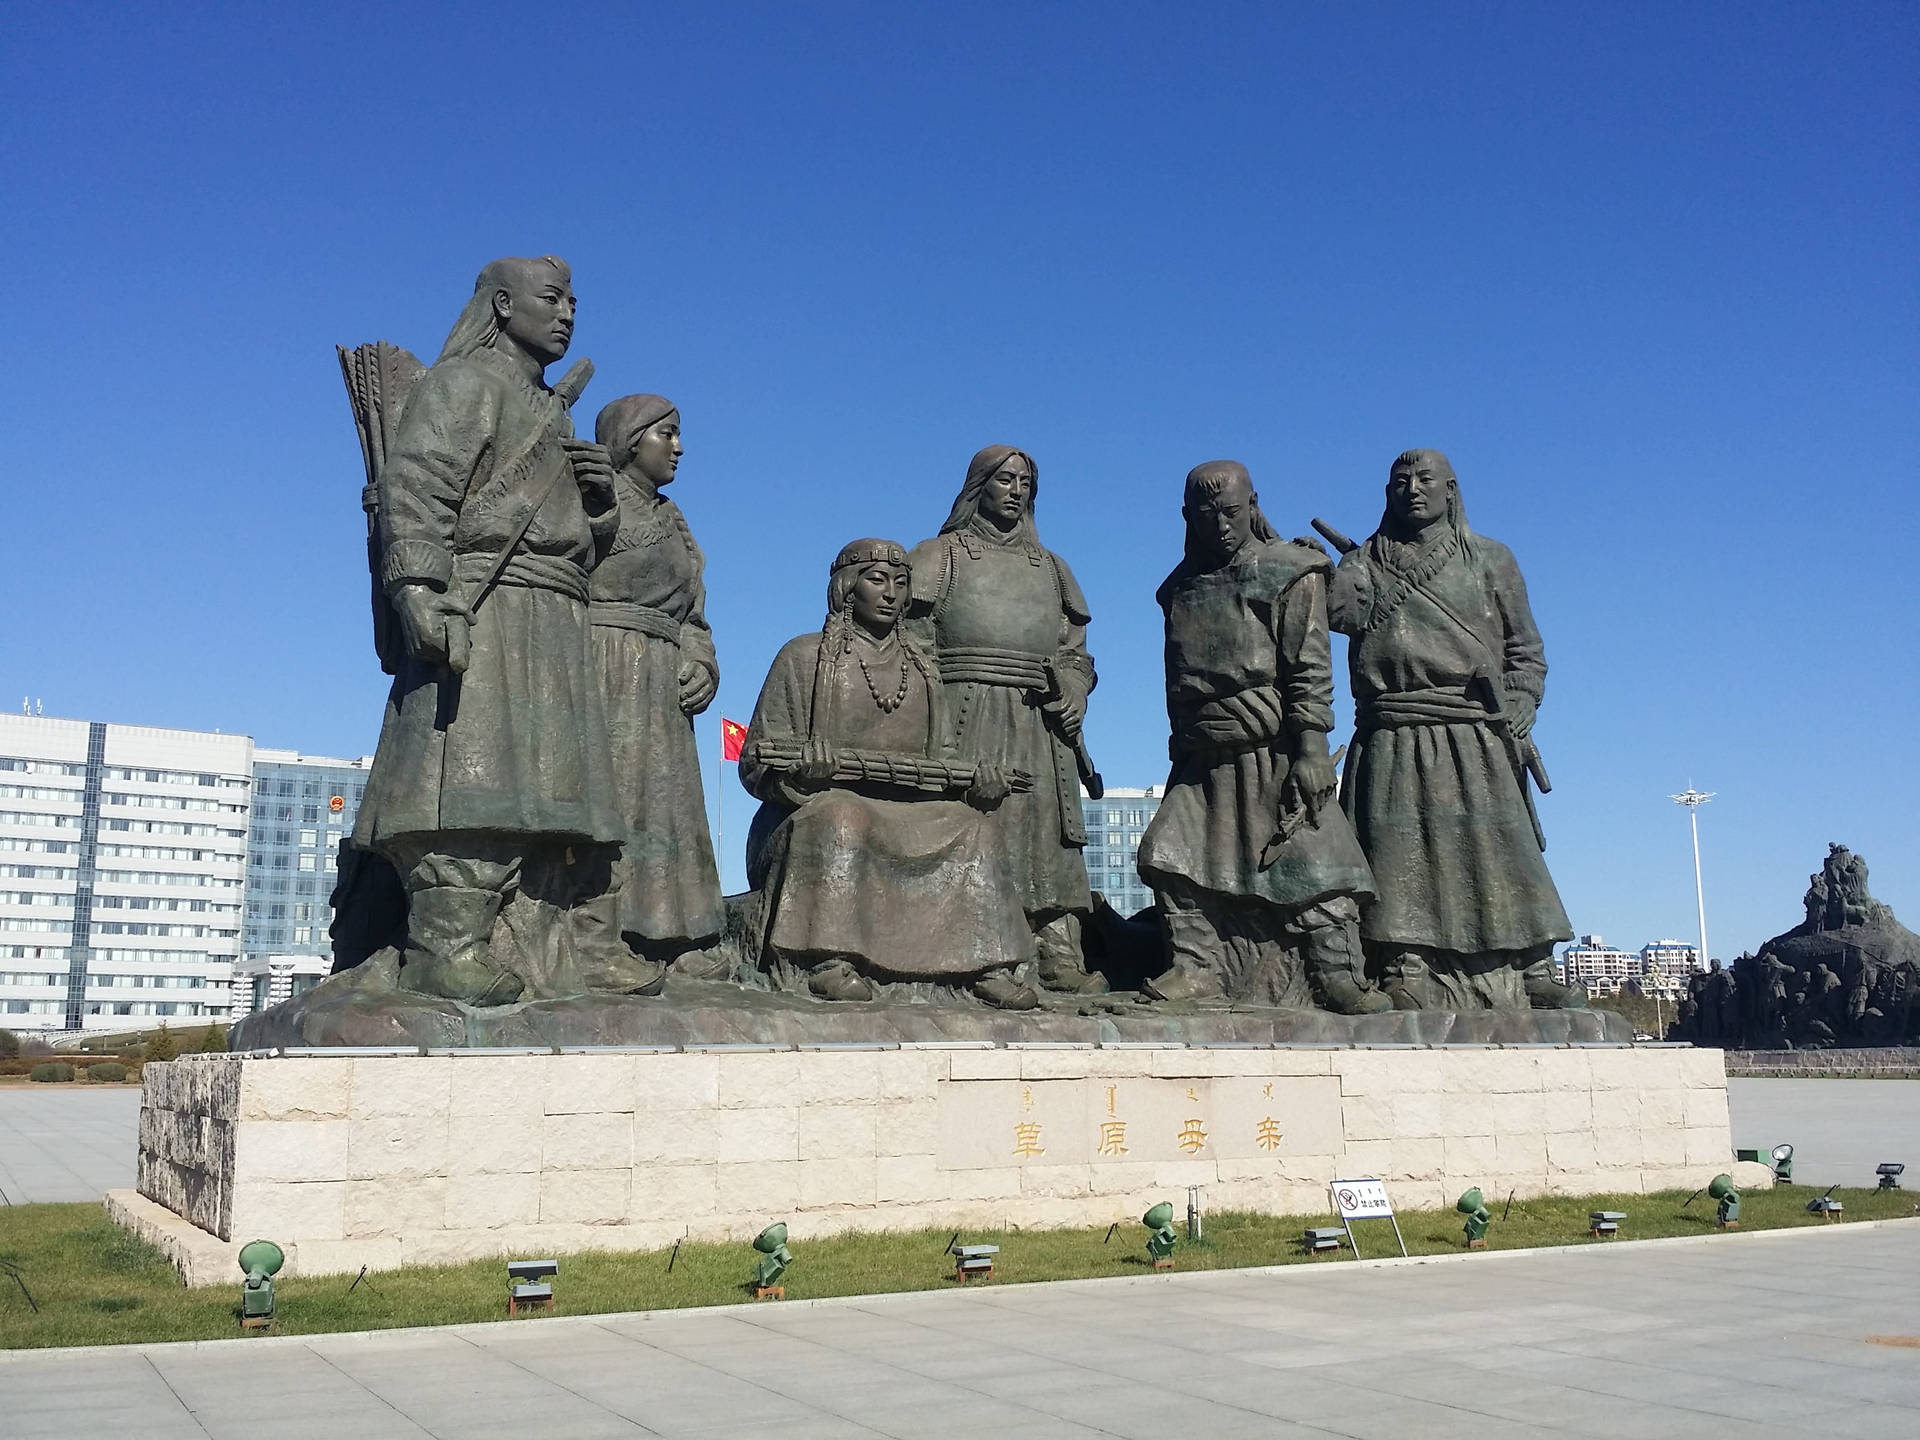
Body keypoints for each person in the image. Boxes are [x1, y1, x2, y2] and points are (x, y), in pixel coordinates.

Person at [350, 256, 654, 1003]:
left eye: (574, 301)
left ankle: (581, 944)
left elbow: (574, 539)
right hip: (490, 608)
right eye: (551, 299)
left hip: (557, 613)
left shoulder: (551, 408)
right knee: (475, 786)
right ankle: (445, 947)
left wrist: (597, 508)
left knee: (567, 793)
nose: (568, 313)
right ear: (501, 304)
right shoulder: (465, 385)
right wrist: (418, 587)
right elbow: (414, 483)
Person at [1327, 449, 1577, 1010]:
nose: (1412, 489)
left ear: (1451, 490)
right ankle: (1404, 962)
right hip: (1393, 727)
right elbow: (1337, 617)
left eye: (1424, 480)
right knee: (1394, 848)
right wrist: (1314, 571)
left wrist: (1522, 699)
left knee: (1500, 845)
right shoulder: (1363, 563)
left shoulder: (1491, 559)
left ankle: (1529, 963)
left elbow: (1526, 652)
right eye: (1399, 481)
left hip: (1473, 729)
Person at [739, 540, 1037, 1008]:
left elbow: (943, 766)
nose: (891, 593)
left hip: (908, 813)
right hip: (806, 816)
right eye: (876, 580)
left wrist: (979, 787)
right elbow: (756, 763)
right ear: (846, 589)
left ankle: (987, 966)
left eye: (901, 583)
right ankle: (829, 960)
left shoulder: (922, 668)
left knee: (972, 828)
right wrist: (805, 777)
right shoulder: (803, 657)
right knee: (842, 816)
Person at [1135, 462, 1387, 1011]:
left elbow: (1309, 666)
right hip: (1204, 756)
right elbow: (1176, 679)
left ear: (1253, 506)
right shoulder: (1178, 589)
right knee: (1172, 855)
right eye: (1207, 515)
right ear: (1187, 517)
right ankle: (1196, 968)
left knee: (1316, 866)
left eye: (1231, 512)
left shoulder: (1289, 572)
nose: (1221, 525)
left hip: (1274, 745)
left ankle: (1337, 974)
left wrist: (1313, 748)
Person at [907, 445, 1104, 995]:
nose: (1015, 490)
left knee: (1050, 835)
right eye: (1004, 480)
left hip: (1039, 717)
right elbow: (913, 641)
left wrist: (1072, 689)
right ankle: (982, 952)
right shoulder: (939, 555)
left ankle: (1057, 950)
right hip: (965, 711)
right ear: (979, 486)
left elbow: (1076, 653)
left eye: (1025, 482)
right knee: (978, 826)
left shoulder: (1052, 568)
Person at [588, 394, 725, 974]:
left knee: (668, 808)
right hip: (602, 663)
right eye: (665, 434)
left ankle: (674, 936)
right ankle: (601, 932)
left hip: (664, 678)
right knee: (613, 800)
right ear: (628, 439)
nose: (679, 447)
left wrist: (701, 660)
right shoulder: (591, 501)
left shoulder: (675, 520)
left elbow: (695, 614)